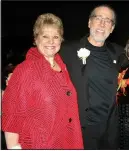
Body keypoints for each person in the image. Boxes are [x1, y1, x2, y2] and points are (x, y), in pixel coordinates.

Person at [1, 13, 83, 149]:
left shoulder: (63, 66)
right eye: (45, 36)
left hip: (67, 141)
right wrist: (14, 147)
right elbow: (12, 113)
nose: (51, 41)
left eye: (56, 37)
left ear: (61, 40)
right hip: (40, 144)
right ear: (36, 39)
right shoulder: (25, 70)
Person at [59, 4, 127, 149]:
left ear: (112, 28)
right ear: (89, 22)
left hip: (110, 129)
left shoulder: (119, 53)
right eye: (98, 18)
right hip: (82, 129)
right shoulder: (68, 50)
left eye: (108, 20)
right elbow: (43, 56)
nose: (102, 23)